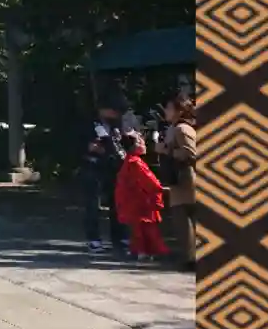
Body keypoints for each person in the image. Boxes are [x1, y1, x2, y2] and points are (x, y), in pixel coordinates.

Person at [82, 92, 131, 254]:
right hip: (93, 165)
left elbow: (121, 144)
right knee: (93, 204)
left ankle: (119, 237)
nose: (116, 114)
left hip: (112, 166)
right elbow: (76, 142)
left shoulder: (117, 124)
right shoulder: (89, 123)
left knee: (116, 203)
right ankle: (93, 238)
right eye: (113, 111)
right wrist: (89, 147)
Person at [158, 93, 198, 271]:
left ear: (179, 110)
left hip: (185, 179)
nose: (165, 111)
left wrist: (166, 150)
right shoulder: (174, 128)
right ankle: (188, 257)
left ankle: (191, 260)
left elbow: (191, 153)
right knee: (181, 220)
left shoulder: (182, 129)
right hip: (177, 179)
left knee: (185, 219)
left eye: (169, 108)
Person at [115, 131, 167, 261]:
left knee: (140, 227)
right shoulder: (135, 162)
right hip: (140, 200)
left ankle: (141, 251)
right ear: (133, 146)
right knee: (145, 227)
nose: (143, 144)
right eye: (139, 141)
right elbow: (150, 181)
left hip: (135, 199)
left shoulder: (131, 161)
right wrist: (161, 189)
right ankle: (144, 251)